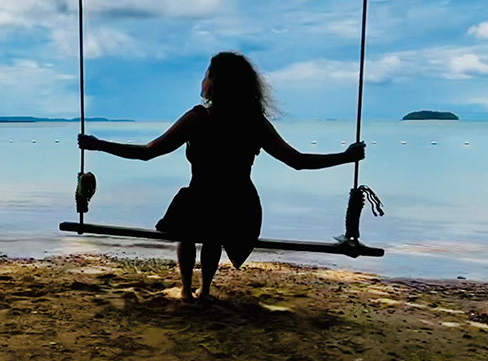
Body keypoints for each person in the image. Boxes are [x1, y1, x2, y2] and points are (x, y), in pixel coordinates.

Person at [78, 51, 365, 303]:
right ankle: (204, 291)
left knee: (191, 215)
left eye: (206, 75)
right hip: (241, 207)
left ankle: (187, 290)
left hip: (202, 200)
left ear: (215, 81)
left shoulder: (199, 118)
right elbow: (298, 161)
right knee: (211, 229)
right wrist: (345, 157)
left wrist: (99, 144)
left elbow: (149, 152)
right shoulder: (254, 122)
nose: (202, 81)